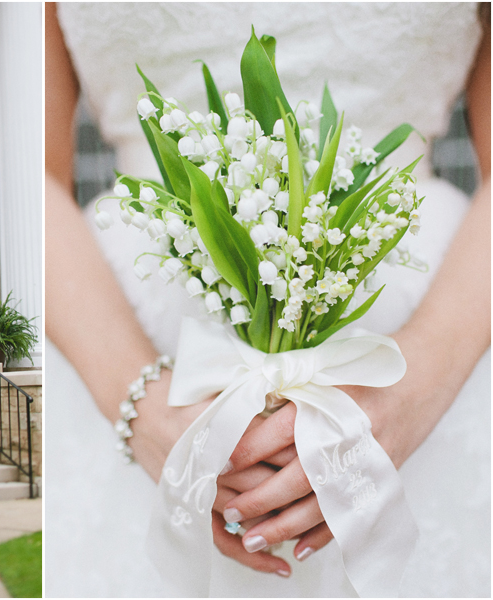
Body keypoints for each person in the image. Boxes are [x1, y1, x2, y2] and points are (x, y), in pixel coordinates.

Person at [45, 3, 490, 597]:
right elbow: (32, 172)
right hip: (118, 330)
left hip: (440, 323)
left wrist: (413, 394)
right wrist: (141, 406)